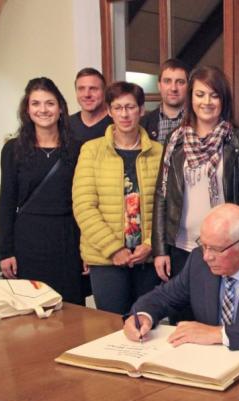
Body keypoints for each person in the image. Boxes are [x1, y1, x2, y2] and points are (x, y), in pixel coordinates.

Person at [152, 66, 239, 322]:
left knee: (219, 320)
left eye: (214, 95)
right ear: (190, 98)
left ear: (223, 100)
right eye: (200, 94)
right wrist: (160, 249)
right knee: (182, 320)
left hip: (224, 248)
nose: (207, 102)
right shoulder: (175, 141)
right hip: (182, 247)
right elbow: (161, 196)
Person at [124, 204, 239, 353]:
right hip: (211, 367)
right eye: (204, 245)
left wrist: (219, 334)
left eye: (216, 249)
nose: (206, 257)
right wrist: (142, 315)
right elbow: (163, 297)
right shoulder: (198, 262)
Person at [72, 81, 163, 314]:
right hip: (106, 259)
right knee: (112, 327)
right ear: (110, 111)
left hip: (147, 258)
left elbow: (167, 204)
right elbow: (84, 206)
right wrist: (114, 249)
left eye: (131, 107)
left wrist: (151, 244)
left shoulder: (159, 151)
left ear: (141, 110)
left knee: (148, 324)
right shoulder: (91, 150)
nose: (125, 114)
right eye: (118, 107)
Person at [0, 77, 85, 304]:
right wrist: (6, 252)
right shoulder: (13, 150)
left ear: (61, 108)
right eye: (36, 104)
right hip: (28, 240)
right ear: (27, 110)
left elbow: (85, 202)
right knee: (31, 310)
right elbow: (6, 202)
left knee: (71, 310)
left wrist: (87, 248)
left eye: (49, 103)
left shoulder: (78, 148)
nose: (43, 110)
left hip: (67, 238)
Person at [140, 58, 189, 144]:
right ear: (159, 85)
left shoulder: (198, 121)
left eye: (180, 82)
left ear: (188, 86)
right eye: (167, 81)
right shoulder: (143, 124)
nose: (173, 88)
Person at [69, 67, 112, 143]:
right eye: (81, 89)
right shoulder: (66, 125)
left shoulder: (117, 123)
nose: (87, 94)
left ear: (104, 91)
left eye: (93, 89)